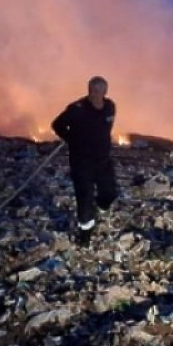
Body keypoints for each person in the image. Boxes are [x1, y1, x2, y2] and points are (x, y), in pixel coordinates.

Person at [51, 76, 118, 247]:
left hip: (103, 161)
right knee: (85, 199)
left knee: (109, 193)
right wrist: (71, 138)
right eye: (91, 90)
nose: (93, 94)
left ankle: (101, 207)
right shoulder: (77, 109)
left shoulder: (110, 107)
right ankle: (85, 237)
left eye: (97, 91)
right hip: (82, 163)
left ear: (105, 92)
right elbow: (57, 124)